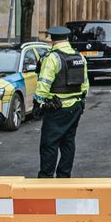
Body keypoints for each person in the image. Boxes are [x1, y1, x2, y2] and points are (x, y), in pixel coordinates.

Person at [35, 26, 89, 178]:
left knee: (49, 143)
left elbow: (43, 84)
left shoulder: (52, 58)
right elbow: (85, 85)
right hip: (76, 106)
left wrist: (38, 103)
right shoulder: (79, 57)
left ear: (52, 39)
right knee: (68, 142)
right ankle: (64, 176)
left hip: (56, 108)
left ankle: (46, 177)